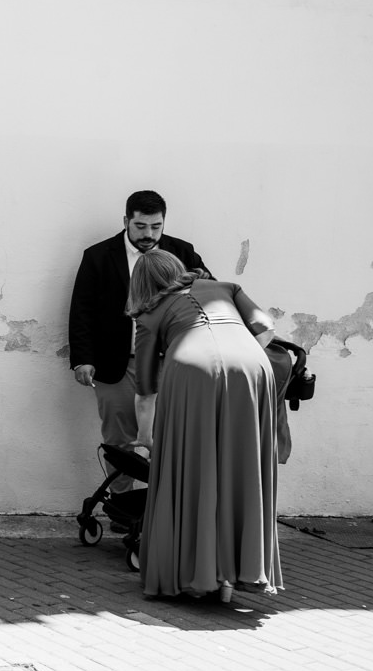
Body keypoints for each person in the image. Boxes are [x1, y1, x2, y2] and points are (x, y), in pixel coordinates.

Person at [128, 251, 282, 600]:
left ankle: (199, 574)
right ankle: (236, 575)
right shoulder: (224, 286)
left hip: (193, 374)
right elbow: (267, 327)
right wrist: (238, 354)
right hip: (254, 368)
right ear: (178, 270)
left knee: (197, 470)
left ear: (140, 285)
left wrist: (144, 437)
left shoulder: (149, 316)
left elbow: (145, 389)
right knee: (241, 466)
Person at [69, 191, 209, 506]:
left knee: (171, 437)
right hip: (116, 363)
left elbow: (207, 295)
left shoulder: (182, 252)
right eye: (141, 226)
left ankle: (167, 508)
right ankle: (121, 506)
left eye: (155, 227)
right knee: (119, 441)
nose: (148, 235)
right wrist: (82, 360)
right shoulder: (98, 256)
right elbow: (82, 310)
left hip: (171, 362)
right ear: (126, 221)